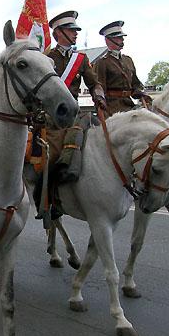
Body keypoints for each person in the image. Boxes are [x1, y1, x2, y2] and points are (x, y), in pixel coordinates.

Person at [33, 11, 108, 219]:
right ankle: (46, 199)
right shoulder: (46, 58)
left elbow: (94, 83)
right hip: (52, 117)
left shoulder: (81, 59)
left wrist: (99, 96)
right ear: (58, 33)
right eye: (71, 30)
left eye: (76, 30)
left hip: (75, 115)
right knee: (54, 156)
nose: (75, 34)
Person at [94, 20, 152, 116]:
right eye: (118, 38)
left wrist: (142, 93)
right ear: (108, 40)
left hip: (129, 105)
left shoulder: (128, 60)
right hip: (112, 109)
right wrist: (101, 105)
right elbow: (99, 87)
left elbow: (135, 83)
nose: (122, 40)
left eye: (122, 37)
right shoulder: (102, 62)